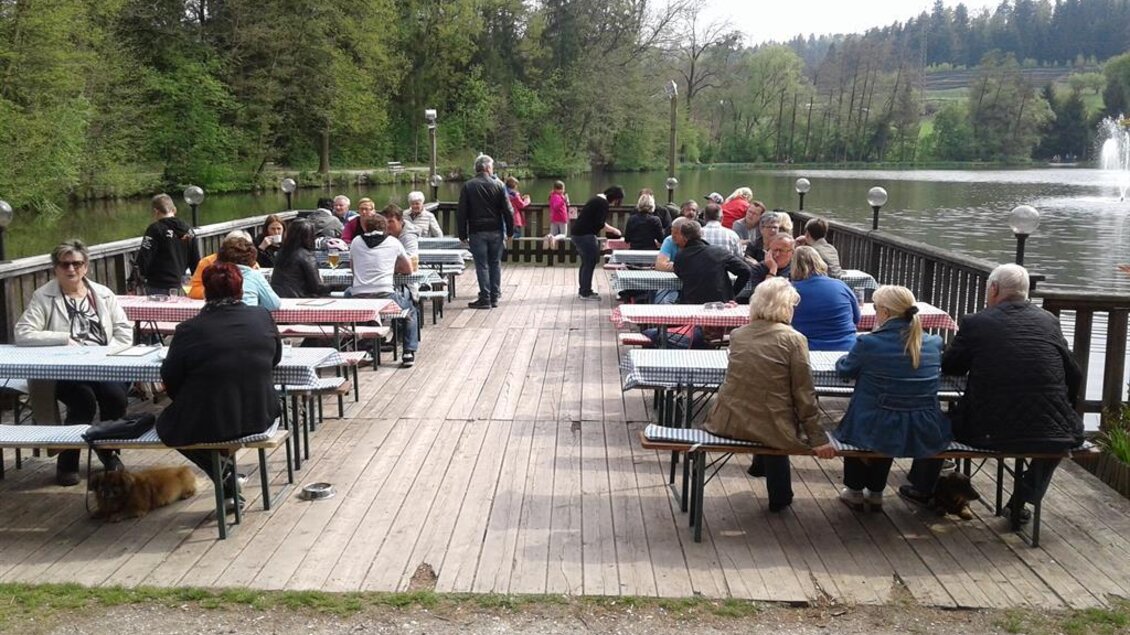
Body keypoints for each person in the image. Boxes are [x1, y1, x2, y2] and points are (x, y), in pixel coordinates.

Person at [901, 264, 1085, 521]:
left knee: (934, 422)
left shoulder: (977, 322)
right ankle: (1020, 502)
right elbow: (1074, 374)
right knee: (1059, 441)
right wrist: (1065, 407)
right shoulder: (1049, 321)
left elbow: (951, 366)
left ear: (995, 289)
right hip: (1047, 428)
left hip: (987, 430)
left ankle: (922, 488)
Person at [156, 262, 282, 511]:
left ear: (205, 292)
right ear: (240, 289)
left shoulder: (188, 329)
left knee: (168, 425)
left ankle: (226, 478)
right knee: (209, 422)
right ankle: (228, 481)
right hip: (261, 412)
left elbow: (171, 379)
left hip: (212, 418)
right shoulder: (262, 316)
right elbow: (275, 359)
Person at [703, 278, 836, 512]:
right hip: (772, 425)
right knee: (775, 419)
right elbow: (804, 393)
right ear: (786, 307)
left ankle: (759, 466)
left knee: (758, 402)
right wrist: (818, 438)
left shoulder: (738, 334)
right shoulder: (794, 339)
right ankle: (780, 496)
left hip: (728, 420)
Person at [15, 240, 133, 485]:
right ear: (55, 268)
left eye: (77, 264)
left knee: (116, 398)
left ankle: (107, 451)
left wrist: (107, 354)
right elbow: (23, 332)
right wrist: (62, 339)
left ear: (86, 267)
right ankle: (67, 462)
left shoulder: (103, 294)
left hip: (104, 365)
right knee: (83, 402)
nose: (71, 269)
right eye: (64, 264)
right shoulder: (44, 296)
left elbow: (124, 331)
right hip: (65, 370)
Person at [833, 285, 951, 511]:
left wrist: (841, 360)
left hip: (874, 426)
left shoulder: (869, 343)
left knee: (865, 417)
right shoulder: (933, 343)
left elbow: (845, 370)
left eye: (876, 308)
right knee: (889, 412)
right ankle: (876, 491)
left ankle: (855, 490)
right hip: (923, 427)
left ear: (885, 312)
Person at [350, 214, 418, 367]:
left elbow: (353, 268)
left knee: (349, 296)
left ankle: (366, 347)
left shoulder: (355, 242)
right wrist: (390, 268)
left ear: (365, 227)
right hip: (384, 294)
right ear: (385, 228)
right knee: (410, 312)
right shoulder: (393, 242)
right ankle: (408, 351)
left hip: (359, 295)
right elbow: (408, 269)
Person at [456, 154, 513, 309]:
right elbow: (508, 210)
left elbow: (462, 212)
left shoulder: (468, 186)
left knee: (482, 265)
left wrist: (462, 234)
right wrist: (510, 232)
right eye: (492, 166)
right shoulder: (499, 185)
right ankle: (494, 297)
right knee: (495, 263)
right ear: (488, 167)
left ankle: (485, 298)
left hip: (476, 231)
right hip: (496, 230)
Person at [790, 246, 859, 351]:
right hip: (847, 347)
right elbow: (856, 318)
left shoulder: (790, 292)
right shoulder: (840, 285)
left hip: (807, 350)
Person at [137, 193, 200, 295]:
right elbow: (195, 261)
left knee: (156, 311)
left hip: (158, 285)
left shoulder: (155, 229)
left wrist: (135, 279)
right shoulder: (188, 230)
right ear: (174, 210)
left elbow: (144, 257)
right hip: (181, 285)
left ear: (155, 211)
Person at [571, 185, 624, 301]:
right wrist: (615, 230)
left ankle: (584, 290)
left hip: (578, 234)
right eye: (617, 200)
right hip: (585, 235)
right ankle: (585, 292)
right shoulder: (602, 203)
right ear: (614, 197)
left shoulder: (596, 199)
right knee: (590, 262)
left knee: (586, 263)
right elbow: (600, 223)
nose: (615, 203)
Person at [215, 234, 281, 309]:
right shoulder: (254, 275)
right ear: (252, 257)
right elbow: (273, 304)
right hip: (248, 316)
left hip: (216, 317)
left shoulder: (214, 274)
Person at [188, 230, 257, 300]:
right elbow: (193, 290)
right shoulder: (207, 262)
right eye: (235, 249)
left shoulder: (252, 263)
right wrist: (217, 293)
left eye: (245, 249)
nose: (238, 253)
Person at [269, 219, 329, 298]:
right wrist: (336, 287)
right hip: (298, 298)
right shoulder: (306, 256)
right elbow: (317, 287)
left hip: (278, 296)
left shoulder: (282, 252)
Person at [505, 176, 531, 241]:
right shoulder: (515, 194)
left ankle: (506, 241)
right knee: (517, 234)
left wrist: (521, 198)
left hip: (506, 218)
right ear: (514, 185)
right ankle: (507, 239)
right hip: (515, 218)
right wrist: (527, 199)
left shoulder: (504, 193)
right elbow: (521, 205)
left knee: (508, 233)